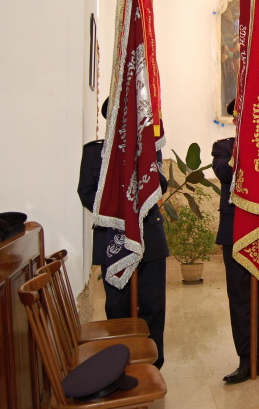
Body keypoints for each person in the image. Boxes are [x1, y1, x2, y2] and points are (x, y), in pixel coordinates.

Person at [77, 98, 169, 368]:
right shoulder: (94, 152)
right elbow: (85, 192)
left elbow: (161, 184)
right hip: (112, 240)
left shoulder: (149, 148)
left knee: (153, 306)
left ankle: (152, 364)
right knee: (117, 307)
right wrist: (117, 208)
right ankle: (122, 364)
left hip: (149, 237)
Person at [212, 99, 259, 384]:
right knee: (241, 297)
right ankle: (245, 357)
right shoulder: (223, 147)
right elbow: (223, 173)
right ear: (235, 120)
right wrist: (245, 150)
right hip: (236, 232)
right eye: (241, 116)